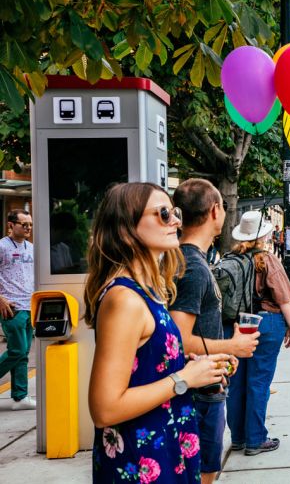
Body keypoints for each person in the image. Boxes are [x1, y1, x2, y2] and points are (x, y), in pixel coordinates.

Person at [86, 182, 231, 483]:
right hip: (141, 463)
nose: (176, 221)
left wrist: (195, 368)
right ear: (126, 229)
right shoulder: (125, 300)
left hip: (163, 448)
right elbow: (105, 407)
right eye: (164, 214)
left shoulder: (146, 292)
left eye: (174, 212)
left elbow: (147, 367)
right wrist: (184, 379)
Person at [169, 179, 259, 484]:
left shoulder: (190, 261)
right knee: (204, 474)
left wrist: (224, 349)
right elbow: (179, 340)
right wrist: (234, 347)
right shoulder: (193, 267)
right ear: (215, 210)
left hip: (204, 387)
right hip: (200, 394)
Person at [222, 211, 290, 456]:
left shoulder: (232, 257)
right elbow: (284, 298)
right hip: (266, 323)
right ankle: (256, 440)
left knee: (237, 383)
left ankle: (239, 438)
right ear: (263, 235)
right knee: (259, 382)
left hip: (237, 326)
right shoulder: (266, 260)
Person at [0, 209, 36, 410]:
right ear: (11, 225)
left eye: (30, 224)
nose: (28, 227)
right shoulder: (2, 247)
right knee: (17, 350)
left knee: (23, 353)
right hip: (10, 307)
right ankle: (20, 396)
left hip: (29, 305)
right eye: (24, 224)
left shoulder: (32, 248)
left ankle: (20, 397)